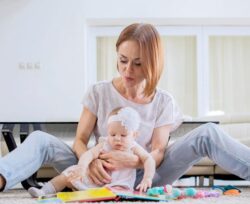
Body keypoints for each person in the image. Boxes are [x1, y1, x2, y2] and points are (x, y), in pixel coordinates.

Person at [0, 23, 250, 193]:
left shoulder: (163, 101)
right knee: (40, 139)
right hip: (99, 172)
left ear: (152, 64)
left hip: (145, 176)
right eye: (122, 60)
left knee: (208, 133)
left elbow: (159, 151)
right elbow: (80, 140)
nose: (127, 70)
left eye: (138, 64)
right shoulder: (98, 92)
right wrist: (91, 161)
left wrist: (136, 162)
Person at [28, 107, 155, 197]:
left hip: (119, 185)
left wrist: (147, 178)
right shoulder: (105, 143)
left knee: (115, 193)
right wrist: (81, 167)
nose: (117, 138)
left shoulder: (133, 147)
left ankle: (86, 192)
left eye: (123, 135)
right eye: (112, 134)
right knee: (68, 175)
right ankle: (44, 191)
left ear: (135, 135)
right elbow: (89, 154)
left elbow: (148, 159)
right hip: (95, 181)